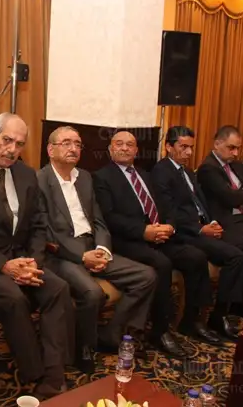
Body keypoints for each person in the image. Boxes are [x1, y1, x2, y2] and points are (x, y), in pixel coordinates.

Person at [0, 113, 73, 400]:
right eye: (7, 140)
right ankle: (35, 374)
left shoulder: (26, 174)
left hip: (23, 260)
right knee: (14, 298)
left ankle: (54, 374)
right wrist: (4, 265)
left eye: (19, 144)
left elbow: (37, 225)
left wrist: (33, 262)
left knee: (58, 288)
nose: (12, 150)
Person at [36, 126, 156, 373]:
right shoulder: (39, 181)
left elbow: (99, 220)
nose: (73, 148)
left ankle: (112, 335)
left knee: (147, 276)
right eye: (66, 143)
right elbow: (45, 232)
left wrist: (102, 248)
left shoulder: (85, 177)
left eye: (78, 144)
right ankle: (84, 347)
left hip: (92, 246)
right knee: (92, 293)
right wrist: (81, 256)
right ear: (50, 149)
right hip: (61, 254)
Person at [93, 131, 219, 357]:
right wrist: (144, 232)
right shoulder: (101, 177)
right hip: (127, 240)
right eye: (119, 144)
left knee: (195, 257)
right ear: (110, 149)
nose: (124, 148)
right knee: (161, 264)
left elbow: (166, 205)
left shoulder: (146, 174)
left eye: (130, 145)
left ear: (136, 150)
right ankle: (160, 331)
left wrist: (169, 226)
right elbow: (109, 217)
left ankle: (191, 320)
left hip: (159, 234)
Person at [150, 126, 243, 340]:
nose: (188, 152)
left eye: (191, 147)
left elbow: (200, 203)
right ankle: (195, 319)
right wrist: (199, 228)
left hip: (200, 228)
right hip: (183, 233)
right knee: (206, 257)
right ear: (168, 147)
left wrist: (211, 222)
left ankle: (219, 314)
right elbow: (169, 211)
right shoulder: (161, 171)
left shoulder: (187, 171)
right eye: (183, 147)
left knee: (238, 254)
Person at [196, 125, 243, 322]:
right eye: (231, 148)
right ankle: (230, 306)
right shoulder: (208, 168)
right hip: (226, 221)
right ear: (217, 144)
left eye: (237, 148)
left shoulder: (236, 166)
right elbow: (229, 198)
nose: (235, 153)